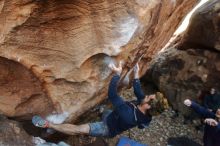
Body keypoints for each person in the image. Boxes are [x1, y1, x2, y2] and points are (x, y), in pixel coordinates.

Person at [32, 62, 167, 138]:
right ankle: (101, 111)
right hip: (112, 116)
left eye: (149, 97)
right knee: (106, 112)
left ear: (148, 106)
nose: (146, 96)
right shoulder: (147, 115)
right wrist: (136, 73)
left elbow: (113, 95)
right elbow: (138, 92)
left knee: (80, 129)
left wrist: (116, 75)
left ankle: (49, 126)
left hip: (107, 128)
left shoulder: (128, 115)